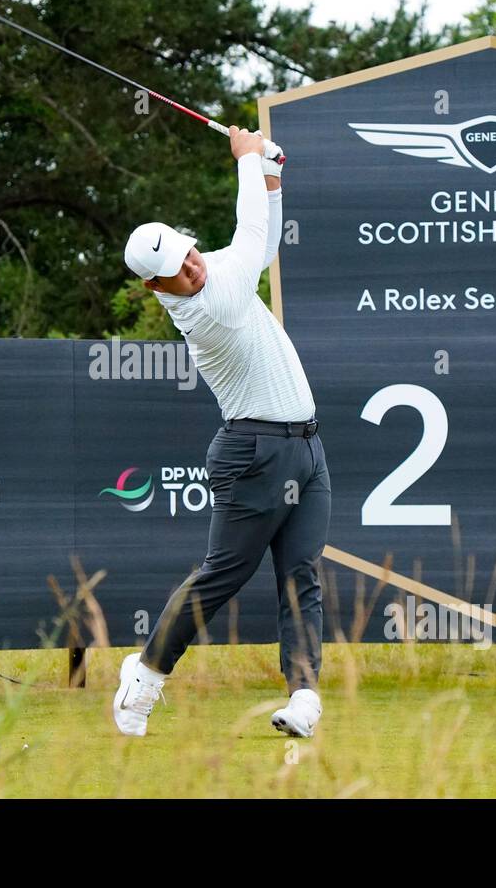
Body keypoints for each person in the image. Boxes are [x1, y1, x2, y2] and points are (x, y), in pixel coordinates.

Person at [112, 128, 331, 738]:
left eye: (187, 253)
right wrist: (246, 159)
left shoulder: (218, 274)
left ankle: (305, 698)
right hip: (254, 453)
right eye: (175, 271)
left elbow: (261, 247)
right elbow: (251, 234)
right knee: (222, 577)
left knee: (301, 577)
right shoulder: (207, 309)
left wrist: (272, 177)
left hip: (307, 450)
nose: (190, 266)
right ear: (156, 290)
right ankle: (146, 678)